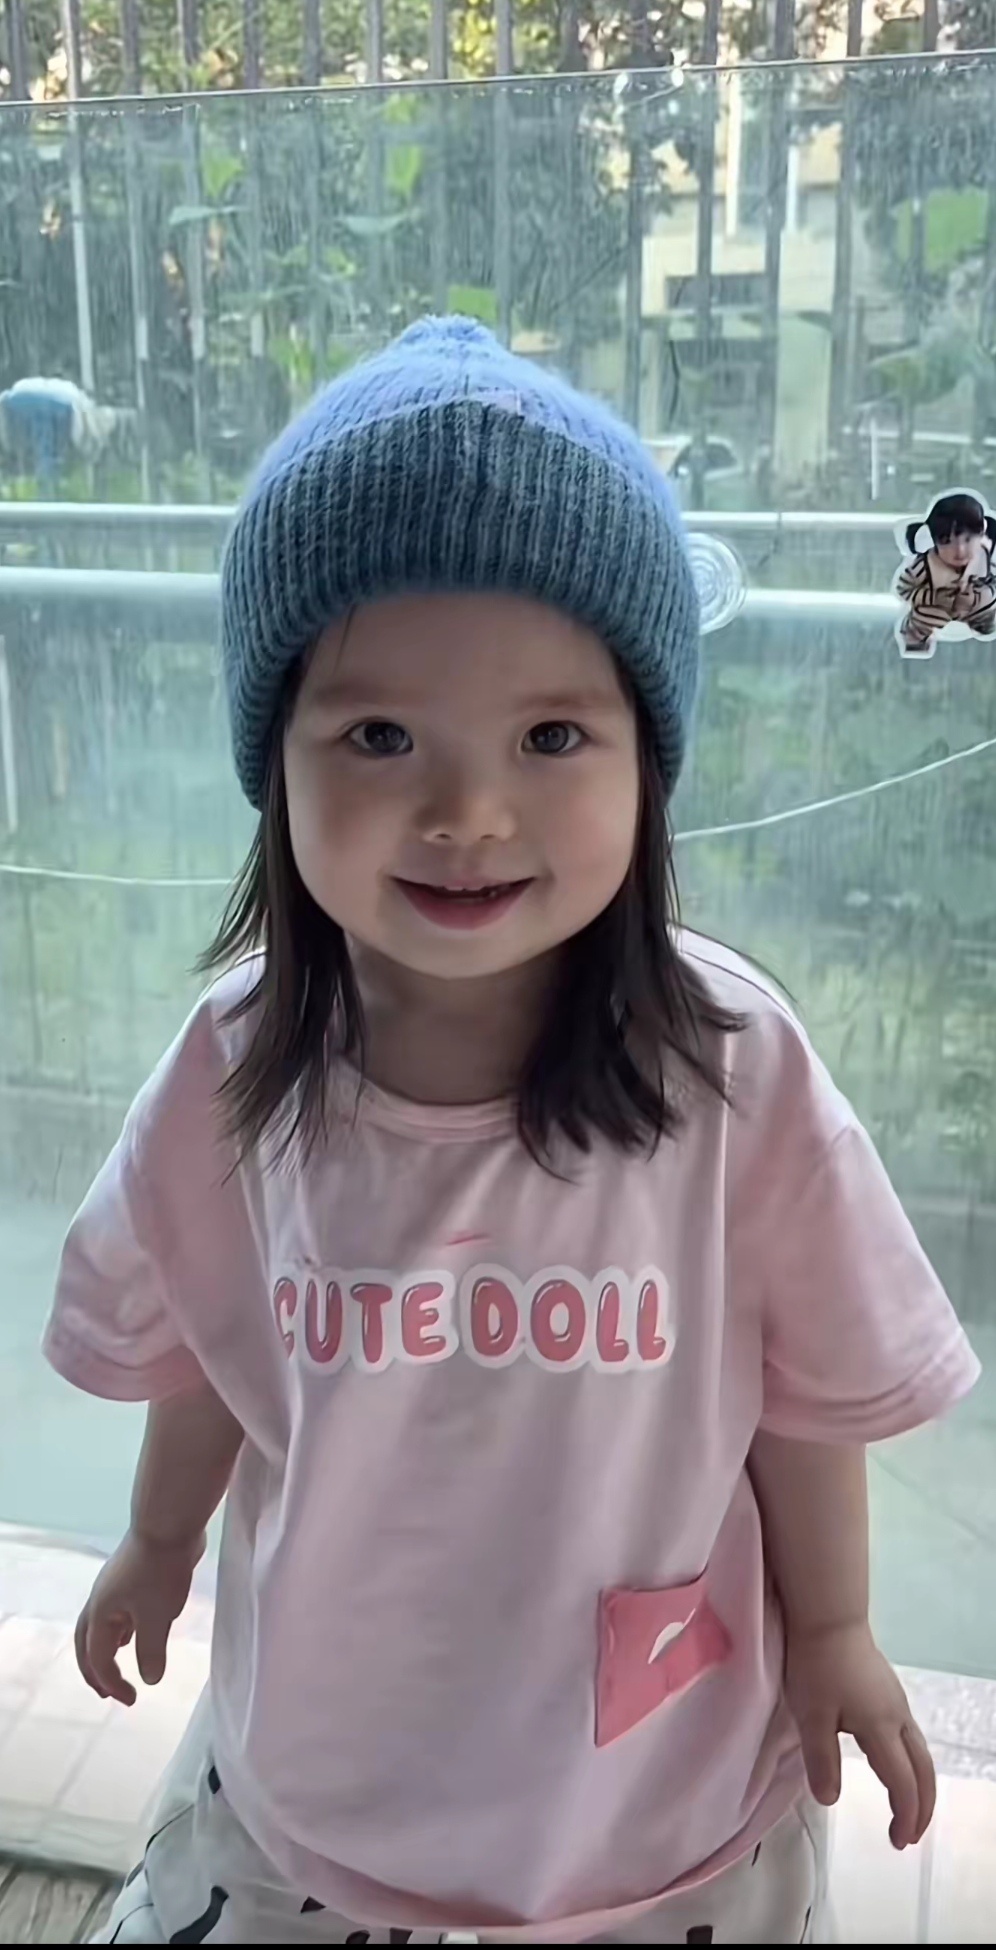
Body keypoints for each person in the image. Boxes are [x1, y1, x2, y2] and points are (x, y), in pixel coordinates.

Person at [46, 318, 978, 1946]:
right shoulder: (234, 1065)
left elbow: (805, 1390)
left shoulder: (732, 1067)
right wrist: (154, 1537)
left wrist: (834, 1627)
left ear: (646, 762)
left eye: (551, 738)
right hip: (319, 1787)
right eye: (379, 737)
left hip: (657, 1811)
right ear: (275, 761)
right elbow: (206, 1335)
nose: (467, 813)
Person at [895, 489, 996, 656]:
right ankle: (917, 644)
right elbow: (903, 590)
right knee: (917, 626)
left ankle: (986, 631)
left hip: (977, 614)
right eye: (947, 541)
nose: (959, 550)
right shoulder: (925, 565)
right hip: (934, 612)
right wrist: (932, 597)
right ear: (931, 540)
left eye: (968, 539)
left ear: (981, 534)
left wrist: (978, 597)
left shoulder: (985, 560)